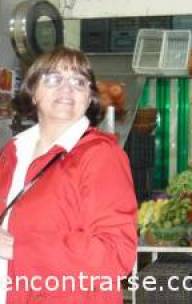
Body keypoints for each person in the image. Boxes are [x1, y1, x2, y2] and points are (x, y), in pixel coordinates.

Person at [0, 47, 137, 303]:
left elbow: (116, 254)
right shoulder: (13, 152)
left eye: (79, 81)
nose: (67, 88)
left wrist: (20, 248)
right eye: (53, 79)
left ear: (89, 98)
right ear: (32, 93)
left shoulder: (101, 157)